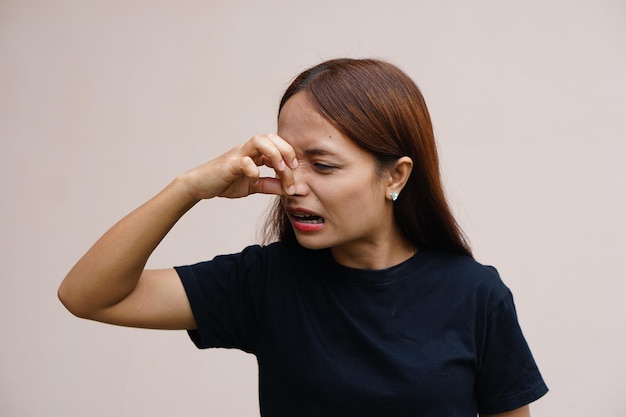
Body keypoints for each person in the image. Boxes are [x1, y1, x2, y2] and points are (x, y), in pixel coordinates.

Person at [58, 58, 548, 416]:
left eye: (323, 164)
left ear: (395, 177)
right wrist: (189, 187)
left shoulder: (475, 295)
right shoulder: (266, 281)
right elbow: (87, 295)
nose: (292, 185)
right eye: (285, 159)